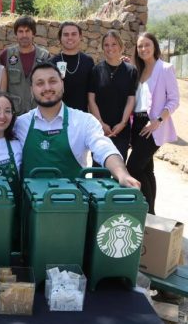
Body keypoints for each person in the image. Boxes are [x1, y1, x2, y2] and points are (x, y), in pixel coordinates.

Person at [14, 61, 140, 189]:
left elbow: (104, 148)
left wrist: (122, 174)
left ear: (62, 85)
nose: (47, 88)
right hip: (29, 206)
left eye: (52, 81)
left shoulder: (84, 121)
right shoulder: (19, 124)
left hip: (73, 204)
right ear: (31, 90)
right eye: (40, 83)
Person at [127, 33, 179, 214]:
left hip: (153, 126)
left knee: (133, 167)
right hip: (137, 124)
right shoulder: (137, 70)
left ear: (155, 46)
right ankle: (152, 214)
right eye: (140, 46)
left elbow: (174, 101)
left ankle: (147, 213)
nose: (143, 49)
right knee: (147, 170)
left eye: (146, 45)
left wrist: (158, 121)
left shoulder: (165, 68)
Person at [88, 30, 138, 163]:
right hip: (100, 130)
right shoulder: (96, 70)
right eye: (106, 45)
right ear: (102, 47)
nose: (110, 48)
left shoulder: (131, 71)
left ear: (121, 46)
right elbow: (91, 100)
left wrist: (122, 123)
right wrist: (101, 123)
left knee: (119, 170)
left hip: (122, 130)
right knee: (98, 170)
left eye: (114, 44)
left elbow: (131, 99)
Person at [0, 16, 50, 115]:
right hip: (14, 114)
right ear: (16, 34)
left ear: (33, 33)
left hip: (38, 113)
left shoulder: (44, 56)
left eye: (27, 31)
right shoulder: (6, 55)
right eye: (20, 31)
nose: (24, 35)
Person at [50, 21, 94, 112]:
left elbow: (92, 94)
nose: (70, 37)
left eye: (74, 34)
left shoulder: (88, 61)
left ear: (80, 37)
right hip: (57, 116)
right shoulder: (52, 63)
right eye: (66, 34)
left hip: (82, 116)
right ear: (60, 38)